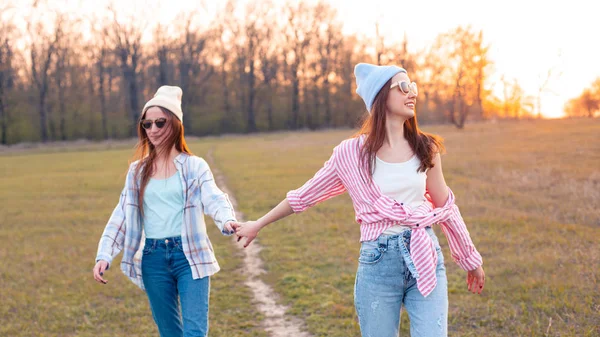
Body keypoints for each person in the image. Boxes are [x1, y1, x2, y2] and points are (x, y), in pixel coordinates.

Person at [233, 63, 485, 337]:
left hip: (425, 255)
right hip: (378, 265)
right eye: (402, 86)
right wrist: (258, 223)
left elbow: (446, 206)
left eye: (413, 86)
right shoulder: (351, 154)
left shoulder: (426, 148)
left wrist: (470, 258)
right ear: (380, 97)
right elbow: (304, 195)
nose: (411, 92)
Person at [92, 86, 237, 337]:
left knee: (194, 333)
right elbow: (122, 215)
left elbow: (213, 197)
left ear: (175, 123)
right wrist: (104, 253)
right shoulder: (137, 172)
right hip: (153, 259)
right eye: (147, 124)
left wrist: (227, 221)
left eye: (160, 122)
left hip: (190, 255)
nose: (153, 130)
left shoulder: (194, 166)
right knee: (169, 333)